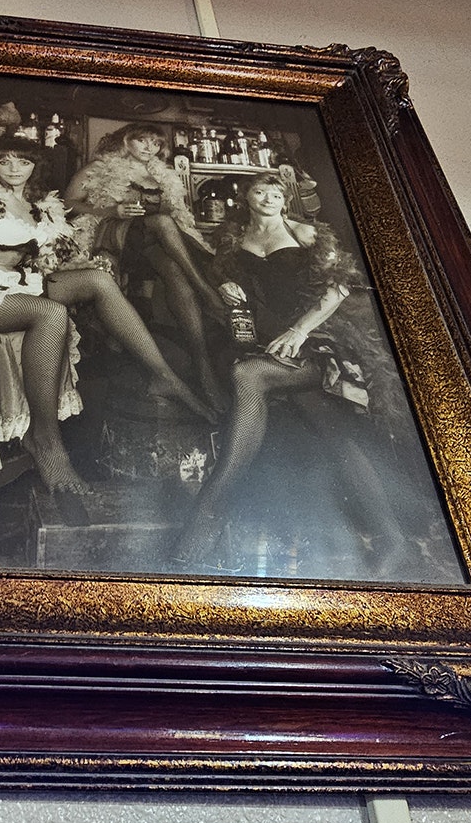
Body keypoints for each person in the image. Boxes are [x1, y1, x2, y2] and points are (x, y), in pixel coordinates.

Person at [0, 137, 209, 508]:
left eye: (23, 162)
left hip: (16, 284)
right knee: (51, 312)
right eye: (5, 160)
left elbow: (46, 257)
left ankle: (163, 375)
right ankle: (46, 441)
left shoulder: (37, 205)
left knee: (97, 280)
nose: (14, 169)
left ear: (34, 167)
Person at [172, 174, 411, 572]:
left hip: (320, 340)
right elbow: (234, 294)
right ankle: (393, 538)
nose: (269, 198)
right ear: (246, 197)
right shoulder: (232, 241)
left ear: (286, 199)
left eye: (277, 192)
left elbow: (340, 288)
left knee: (249, 375)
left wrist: (299, 330)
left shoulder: (307, 232)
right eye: (261, 191)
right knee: (336, 438)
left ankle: (208, 513)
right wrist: (230, 289)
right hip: (268, 339)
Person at [64, 123, 225, 406]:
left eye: (155, 143)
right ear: (126, 142)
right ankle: (206, 291)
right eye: (142, 141)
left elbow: (180, 216)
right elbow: (69, 202)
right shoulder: (98, 167)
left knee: (174, 269)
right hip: (113, 235)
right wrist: (110, 209)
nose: (149, 148)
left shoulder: (163, 176)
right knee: (163, 222)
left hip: (149, 245)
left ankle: (204, 368)